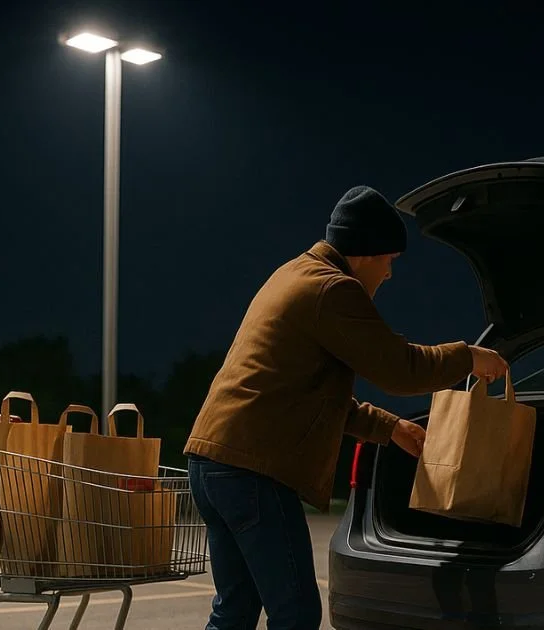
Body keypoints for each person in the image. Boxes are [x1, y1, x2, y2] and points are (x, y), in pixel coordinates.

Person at [184, 184, 509, 630]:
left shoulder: (294, 273)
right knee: (296, 613)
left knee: (235, 610)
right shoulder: (333, 289)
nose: (390, 274)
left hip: (213, 461)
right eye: (390, 261)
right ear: (366, 252)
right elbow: (400, 368)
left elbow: (308, 394)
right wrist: (467, 356)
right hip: (250, 471)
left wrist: (389, 426)